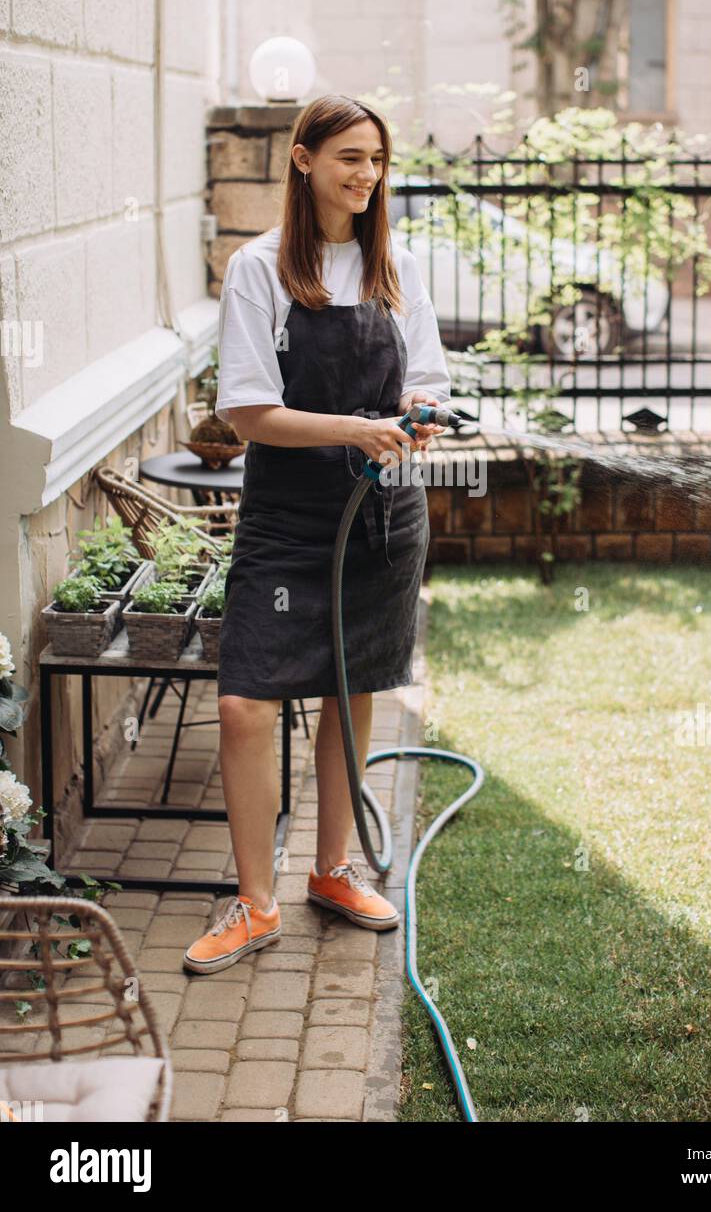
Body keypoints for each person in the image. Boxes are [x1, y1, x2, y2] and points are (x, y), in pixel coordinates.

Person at [183, 95, 452, 974]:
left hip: (381, 517)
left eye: (377, 159)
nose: (367, 175)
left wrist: (419, 412)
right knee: (243, 703)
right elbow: (250, 413)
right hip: (290, 521)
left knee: (353, 687)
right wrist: (354, 428)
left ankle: (332, 872)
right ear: (302, 160)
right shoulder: (258, 269)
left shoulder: (396, 263)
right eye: (349, 158)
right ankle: (255, 903)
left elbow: (427, 379)